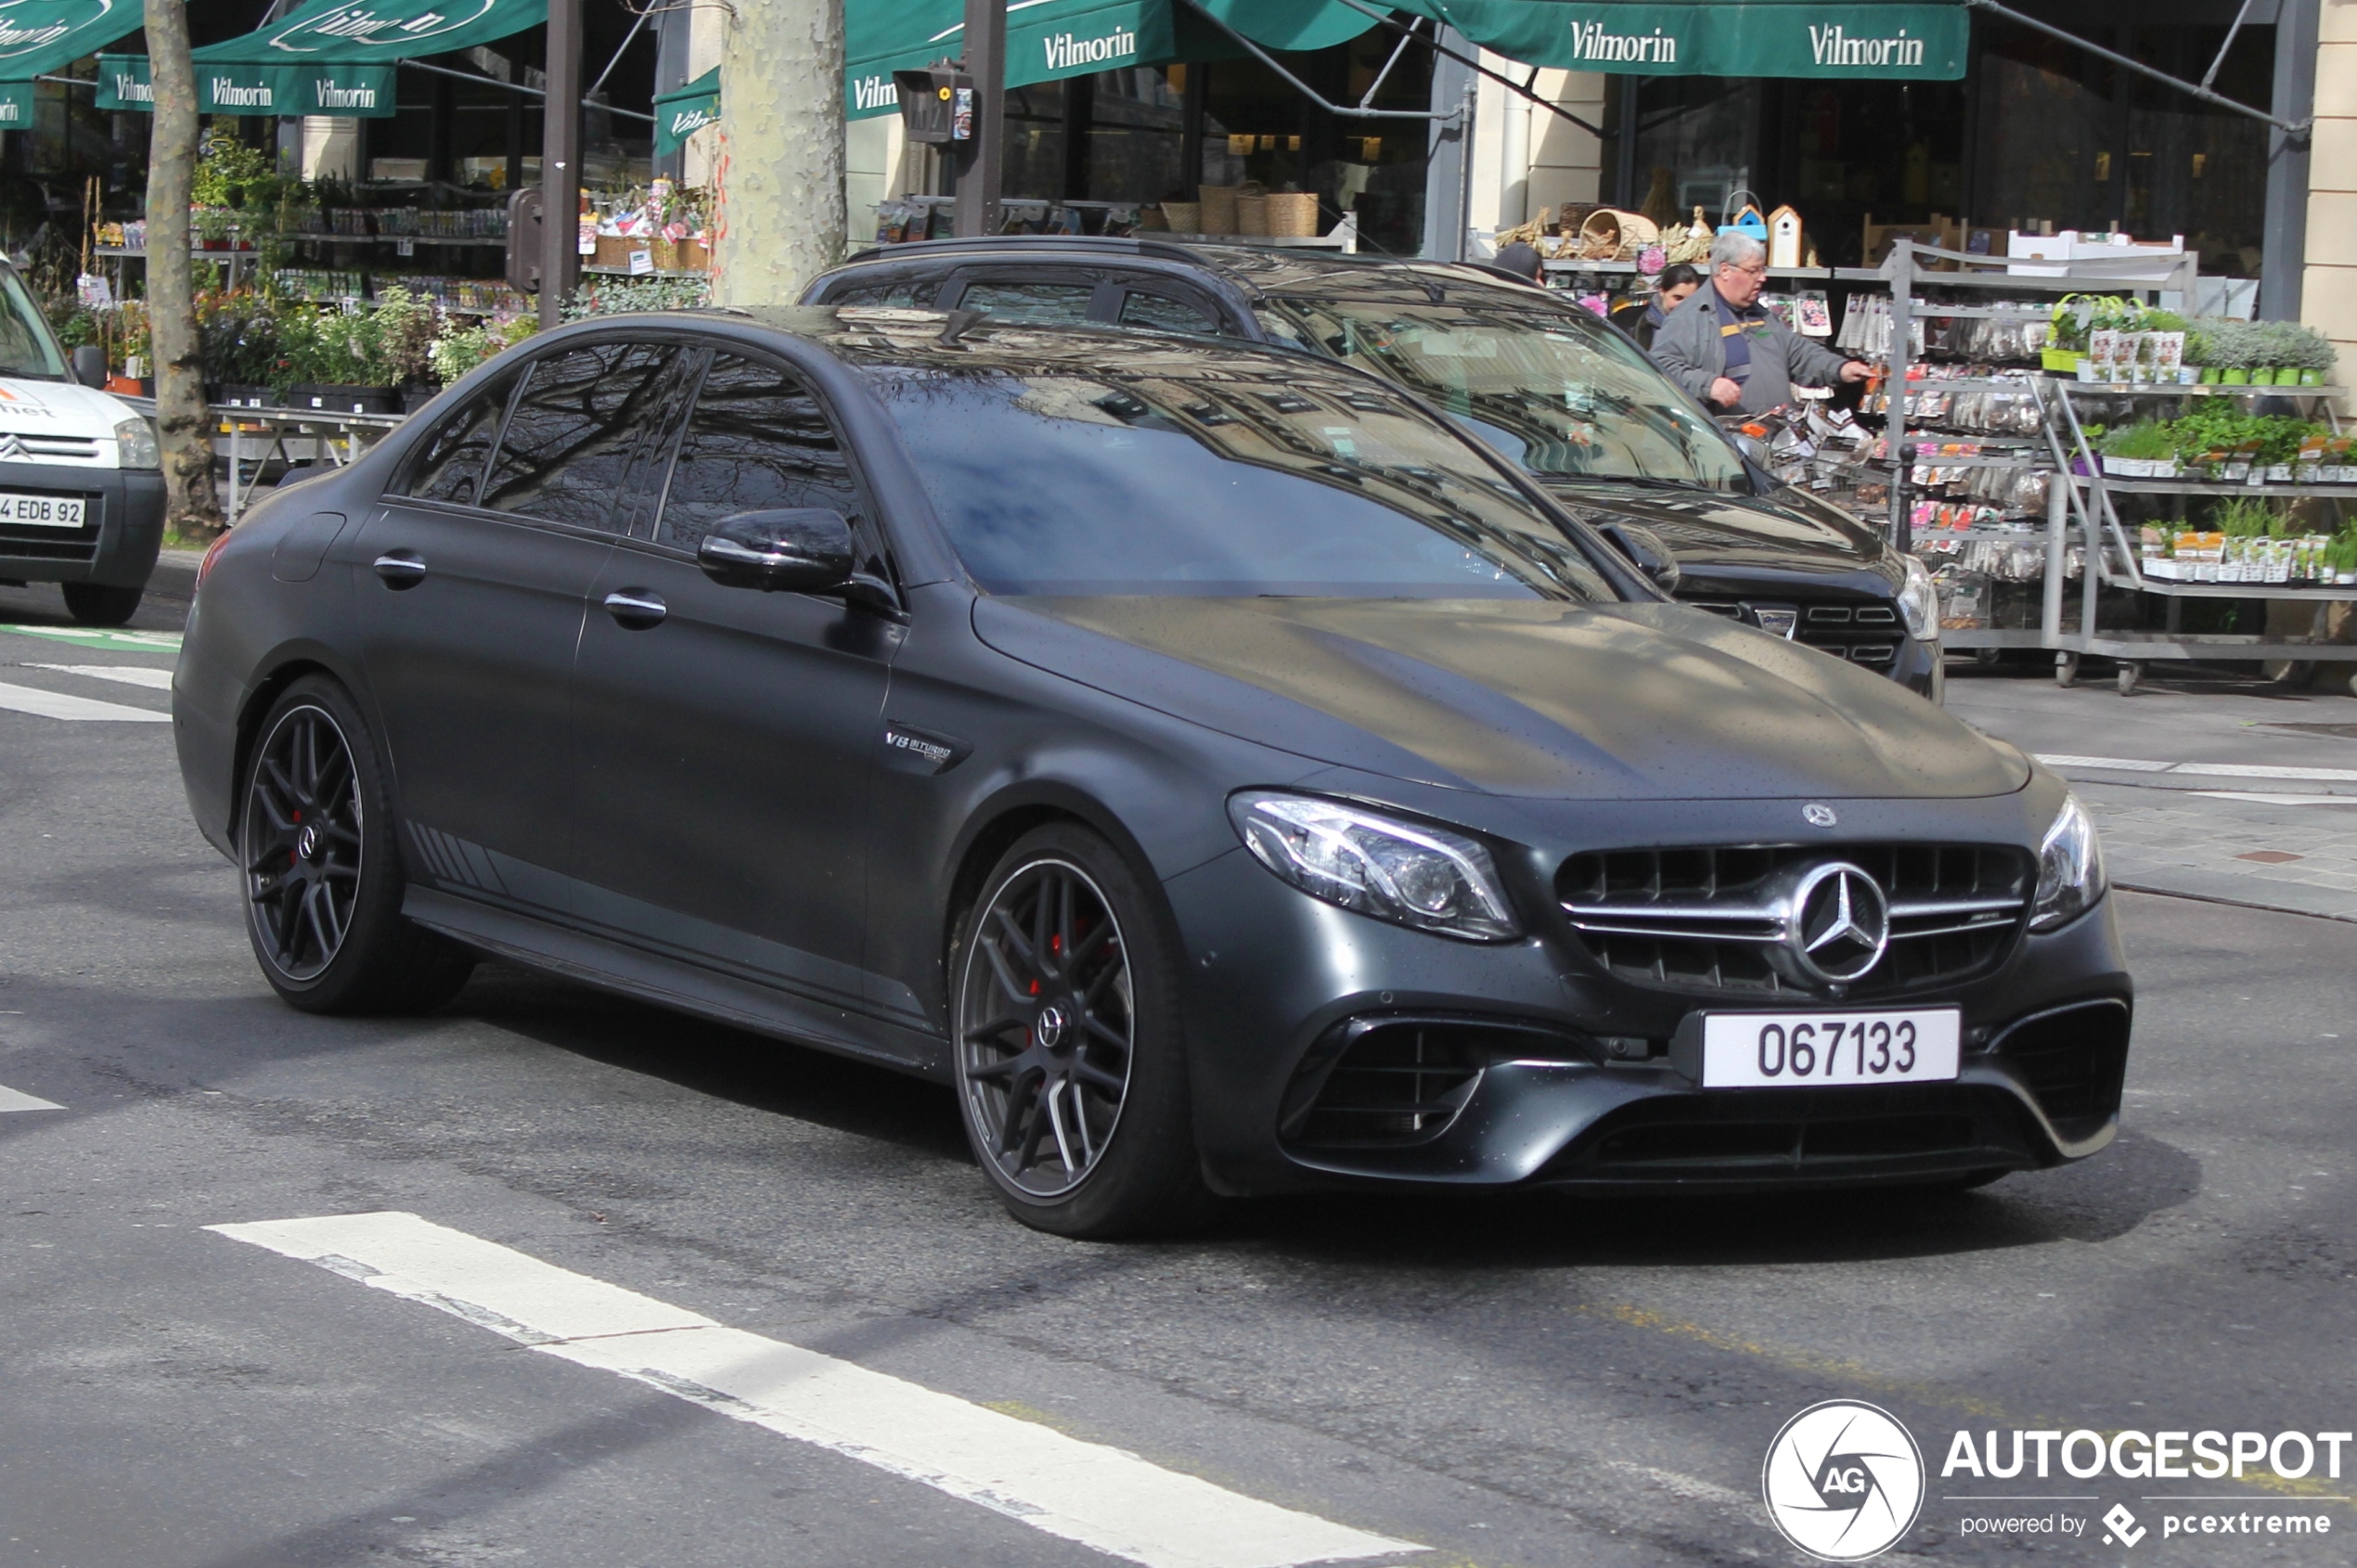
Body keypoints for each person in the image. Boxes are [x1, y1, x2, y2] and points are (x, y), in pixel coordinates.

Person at [1650, 232, 1870, 414]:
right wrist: (1709, 385)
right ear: (1725, 270)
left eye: (1762, 270)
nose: (1762, 278)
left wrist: (1840, 368)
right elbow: (1660, 368)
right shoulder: (1690, 317)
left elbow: (1799, 353)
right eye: (1753, 270)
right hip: (1724, 444)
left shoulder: (1761, 315)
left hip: (1774, 437)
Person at [1614, 263, 1700, 350]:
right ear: (1662, 291)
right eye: (1678, 298)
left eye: (1690, 300)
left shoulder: (1702, 329)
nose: (1684, 306)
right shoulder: (1628, 322)